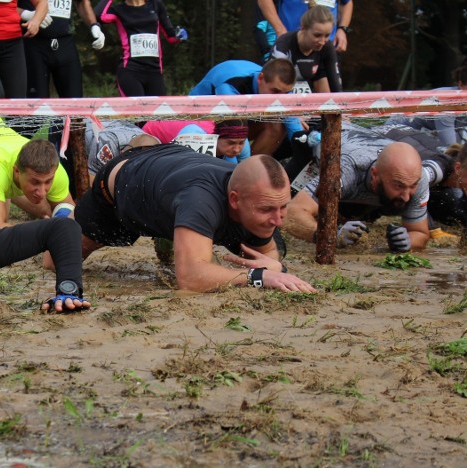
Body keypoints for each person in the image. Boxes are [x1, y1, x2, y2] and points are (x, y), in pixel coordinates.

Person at [74, 143, 316, 293]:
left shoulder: (258, 201)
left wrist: (275, 266)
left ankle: (175, 235)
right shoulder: (201, 200)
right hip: (121, 187)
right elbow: (190, 279)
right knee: (57, 261)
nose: (278, 220)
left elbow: (270, 257)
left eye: (283, 207)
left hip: (173, 167)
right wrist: (257, 276)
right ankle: (62, 213)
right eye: (267, 210)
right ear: (234, 200)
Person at [284, 124, 431, 252]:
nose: (406, 196)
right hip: (317, 147)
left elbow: (419, 232)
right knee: (278, 208)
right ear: (375, 175)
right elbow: (291, 215)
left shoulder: (417, 177)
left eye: (412, 186)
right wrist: (329, 236)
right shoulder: (345, 171)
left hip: (365, 148)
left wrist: (407, 242)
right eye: (398, 185)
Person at [188, 58, 300, 156]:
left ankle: (253, 169)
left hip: (235, 117)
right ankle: (239, 171)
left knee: (277, 124)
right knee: (234, 135)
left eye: (285, 94)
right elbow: (234, 129)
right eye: (275, 91)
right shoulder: (231, 85)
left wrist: (305, 146)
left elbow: (294, 128)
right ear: (260, 79)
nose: (279, 100)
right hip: (198, 121)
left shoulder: (279, 88)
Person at [93, 0, 187, 97]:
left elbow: (170, 36)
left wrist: (179, 35)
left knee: (159, 111)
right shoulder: (119, 10)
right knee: (135, 111)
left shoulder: (156, 5)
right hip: (130, 70)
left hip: (154, 71)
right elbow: (97, 15)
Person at [18, 0, 105, 98]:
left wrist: (94, 25)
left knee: (74, 100)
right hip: (33, 43)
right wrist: (26, 14)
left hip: (65, 42)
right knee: (36, 102)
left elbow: (82, 2)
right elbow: (5, 7)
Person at [385, 66, 467, 147]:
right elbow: (450, 146)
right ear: (460, 84)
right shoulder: (445, 101)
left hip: (418, 133)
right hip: (396, 130)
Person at [270, 5, 342, 93]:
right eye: (317, 35)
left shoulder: (327, 46)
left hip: (312, 78)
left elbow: (336, 89)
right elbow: (276, 87)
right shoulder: (284, 45)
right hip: (281, 88)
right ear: (303, 28)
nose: (322, 41)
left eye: (327, 35)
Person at [257, 0, 352, 54]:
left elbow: (347, 2)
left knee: (330, 88)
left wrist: (342, 29)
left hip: (326, 45)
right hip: (291, 43)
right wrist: (279, 29)